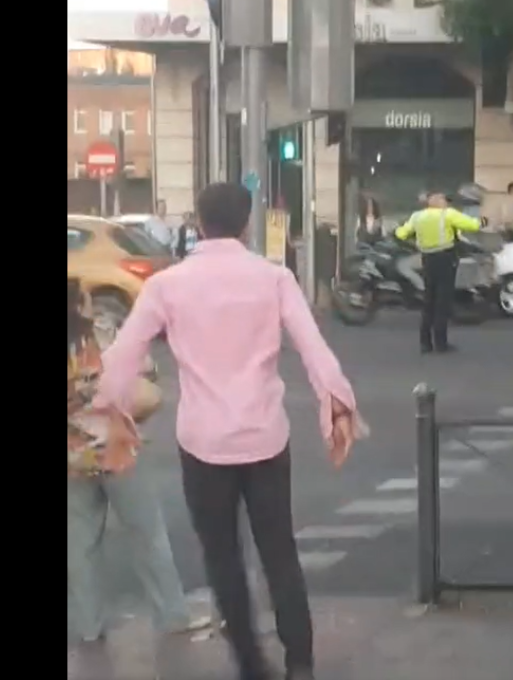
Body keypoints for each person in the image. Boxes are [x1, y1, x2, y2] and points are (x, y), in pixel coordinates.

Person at [93, 182, 363, 680]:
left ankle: (250, 665)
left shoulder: (167, 286)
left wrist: (111, 414)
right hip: (265, 436)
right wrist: (337, 405)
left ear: (198, 222)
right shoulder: (274, 278)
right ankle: (300, 662)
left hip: (203, 443)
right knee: (279, 549)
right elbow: (313, 348)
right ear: (245, 223)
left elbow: (123, 358)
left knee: (223, 559)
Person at [66, 279, 207, 650]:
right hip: (115, 447)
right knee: (147, 532)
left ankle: (88, 626)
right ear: (80, 304)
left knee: (80, 544)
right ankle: (171, 615)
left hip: (72, 455)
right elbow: (144, 367)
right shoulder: (101, 333)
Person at [394, 190, 485, 354]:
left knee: (429, 301)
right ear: (435, 201)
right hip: (445, 259)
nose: (446, 202)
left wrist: (414, 239)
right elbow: (472, 224)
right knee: (442, 302)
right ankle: (441, 343)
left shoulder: (417, 216)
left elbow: (401, 233)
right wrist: (483, 221)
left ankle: (425, 343)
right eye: (443, 199)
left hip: (427, 260)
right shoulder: (447, 214)